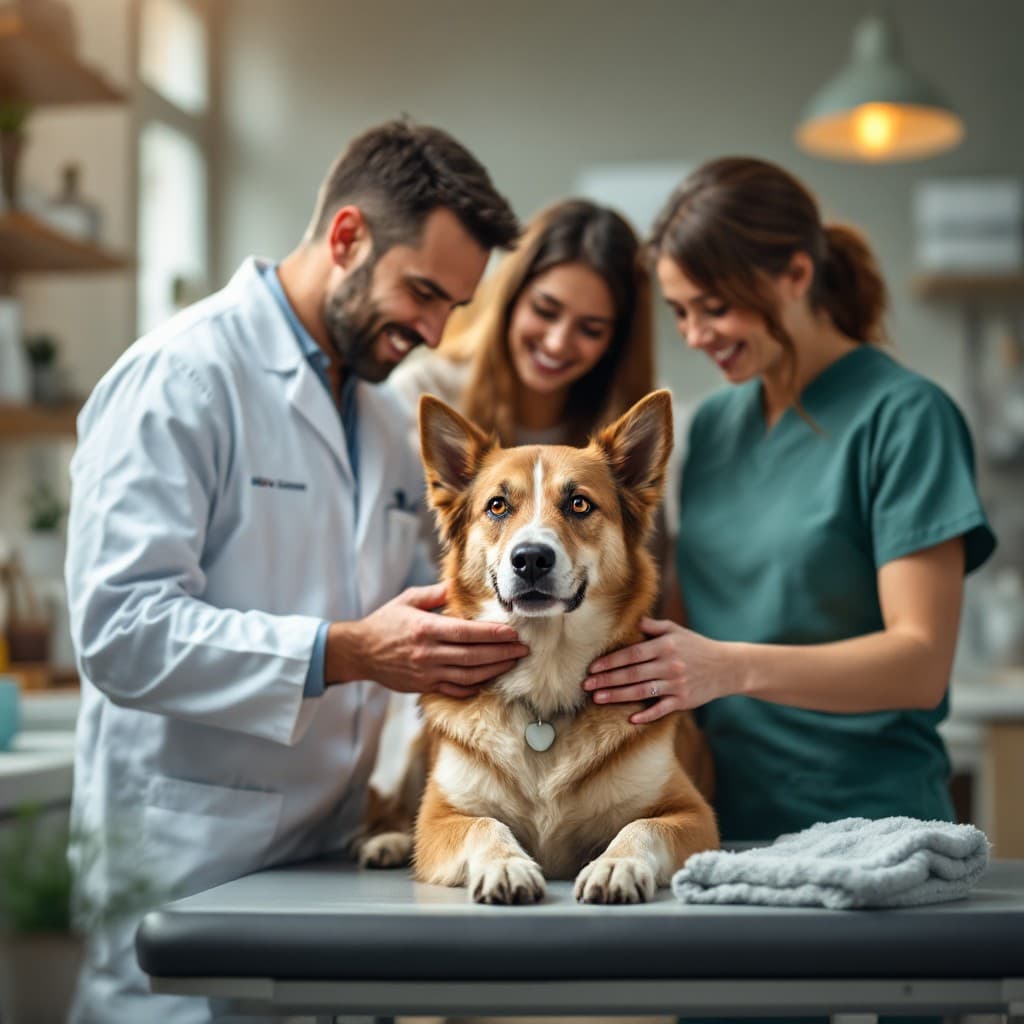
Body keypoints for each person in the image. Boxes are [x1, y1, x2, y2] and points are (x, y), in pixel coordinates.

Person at [64, 119, 524, 1024]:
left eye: (454, 308)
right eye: (422, 292)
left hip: (330, 864)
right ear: (347, 237)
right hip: (188, 866)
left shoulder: (391, 424)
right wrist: (347, 652)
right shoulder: (182, 378)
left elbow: (428, 612)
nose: (433, 330)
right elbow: (120, 632)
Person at [582, 157, 996, 845]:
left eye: (716, 307)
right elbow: (679, 640)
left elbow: (920, 664)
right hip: (713, 820)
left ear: (797, 275)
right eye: (680, 311)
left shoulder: (905, 418)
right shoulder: (712, 429)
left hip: (866, 826)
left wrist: (733, 666)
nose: (694, 334)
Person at [390, 197, 654, 448]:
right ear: (510, 299)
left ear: (616, 340)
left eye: (590, 329)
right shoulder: (421, 396)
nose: (556, 343)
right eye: (545, 311)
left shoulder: (638, 424)